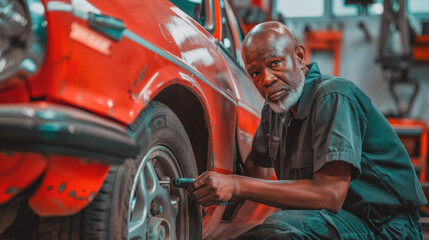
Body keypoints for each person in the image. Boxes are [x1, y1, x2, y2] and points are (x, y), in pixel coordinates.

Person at [187, 21, 427, 239]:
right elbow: (256, 171)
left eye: (274, 64)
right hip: (335, 222)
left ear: (299, 57)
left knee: (279, 228)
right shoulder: (273, 113)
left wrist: (236, 184)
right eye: (255, 73)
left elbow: (330, 194)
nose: (266, 80)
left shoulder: (334, 97)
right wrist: (209, 194)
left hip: (386, 228)